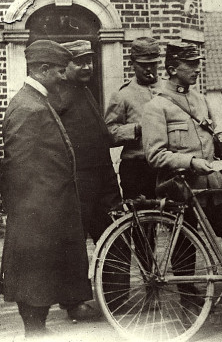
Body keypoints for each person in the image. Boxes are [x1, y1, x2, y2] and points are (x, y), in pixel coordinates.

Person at [141, 42, 222, 319]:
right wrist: (190, 162)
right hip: (181, 188)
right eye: (190, 65)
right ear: (172, 69)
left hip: (214, 185)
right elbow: (155, 155)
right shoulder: (156, 107)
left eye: (197, 64)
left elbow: (215, 136)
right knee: (184, 248)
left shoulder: (200, 100)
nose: (197, 70)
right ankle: (188, 301)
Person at [1, 40, 92, 338]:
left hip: (46, 208)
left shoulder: (35, 101)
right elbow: (20, 168)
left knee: (42, 277)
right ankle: (35, 332)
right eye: (58, 71)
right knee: (34, 278)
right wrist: (35, 212)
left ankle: (38, 330)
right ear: (42, 70)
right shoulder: (28, 107)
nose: (63, 77)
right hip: (37, 212)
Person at [53, 39, 123, 320]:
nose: (87, 67)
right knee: (74, 243)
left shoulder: (86, 91)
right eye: (79, 62)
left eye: (90, 61)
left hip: (103, 177)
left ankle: (115, 295)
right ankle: (75, 303)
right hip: (78, 180)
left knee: (114, 234)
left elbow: (99, 135)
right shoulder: (57, 96)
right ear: (65, 66)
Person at [105, 37, 160, 202]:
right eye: (143, 65)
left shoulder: (169, 91)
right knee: (140, 221)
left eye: (153, 64)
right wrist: (136, 129)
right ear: (132, 64)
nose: (149, 69)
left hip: (166, 167)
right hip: (137, 168)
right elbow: (109, 133)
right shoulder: (122, 95)